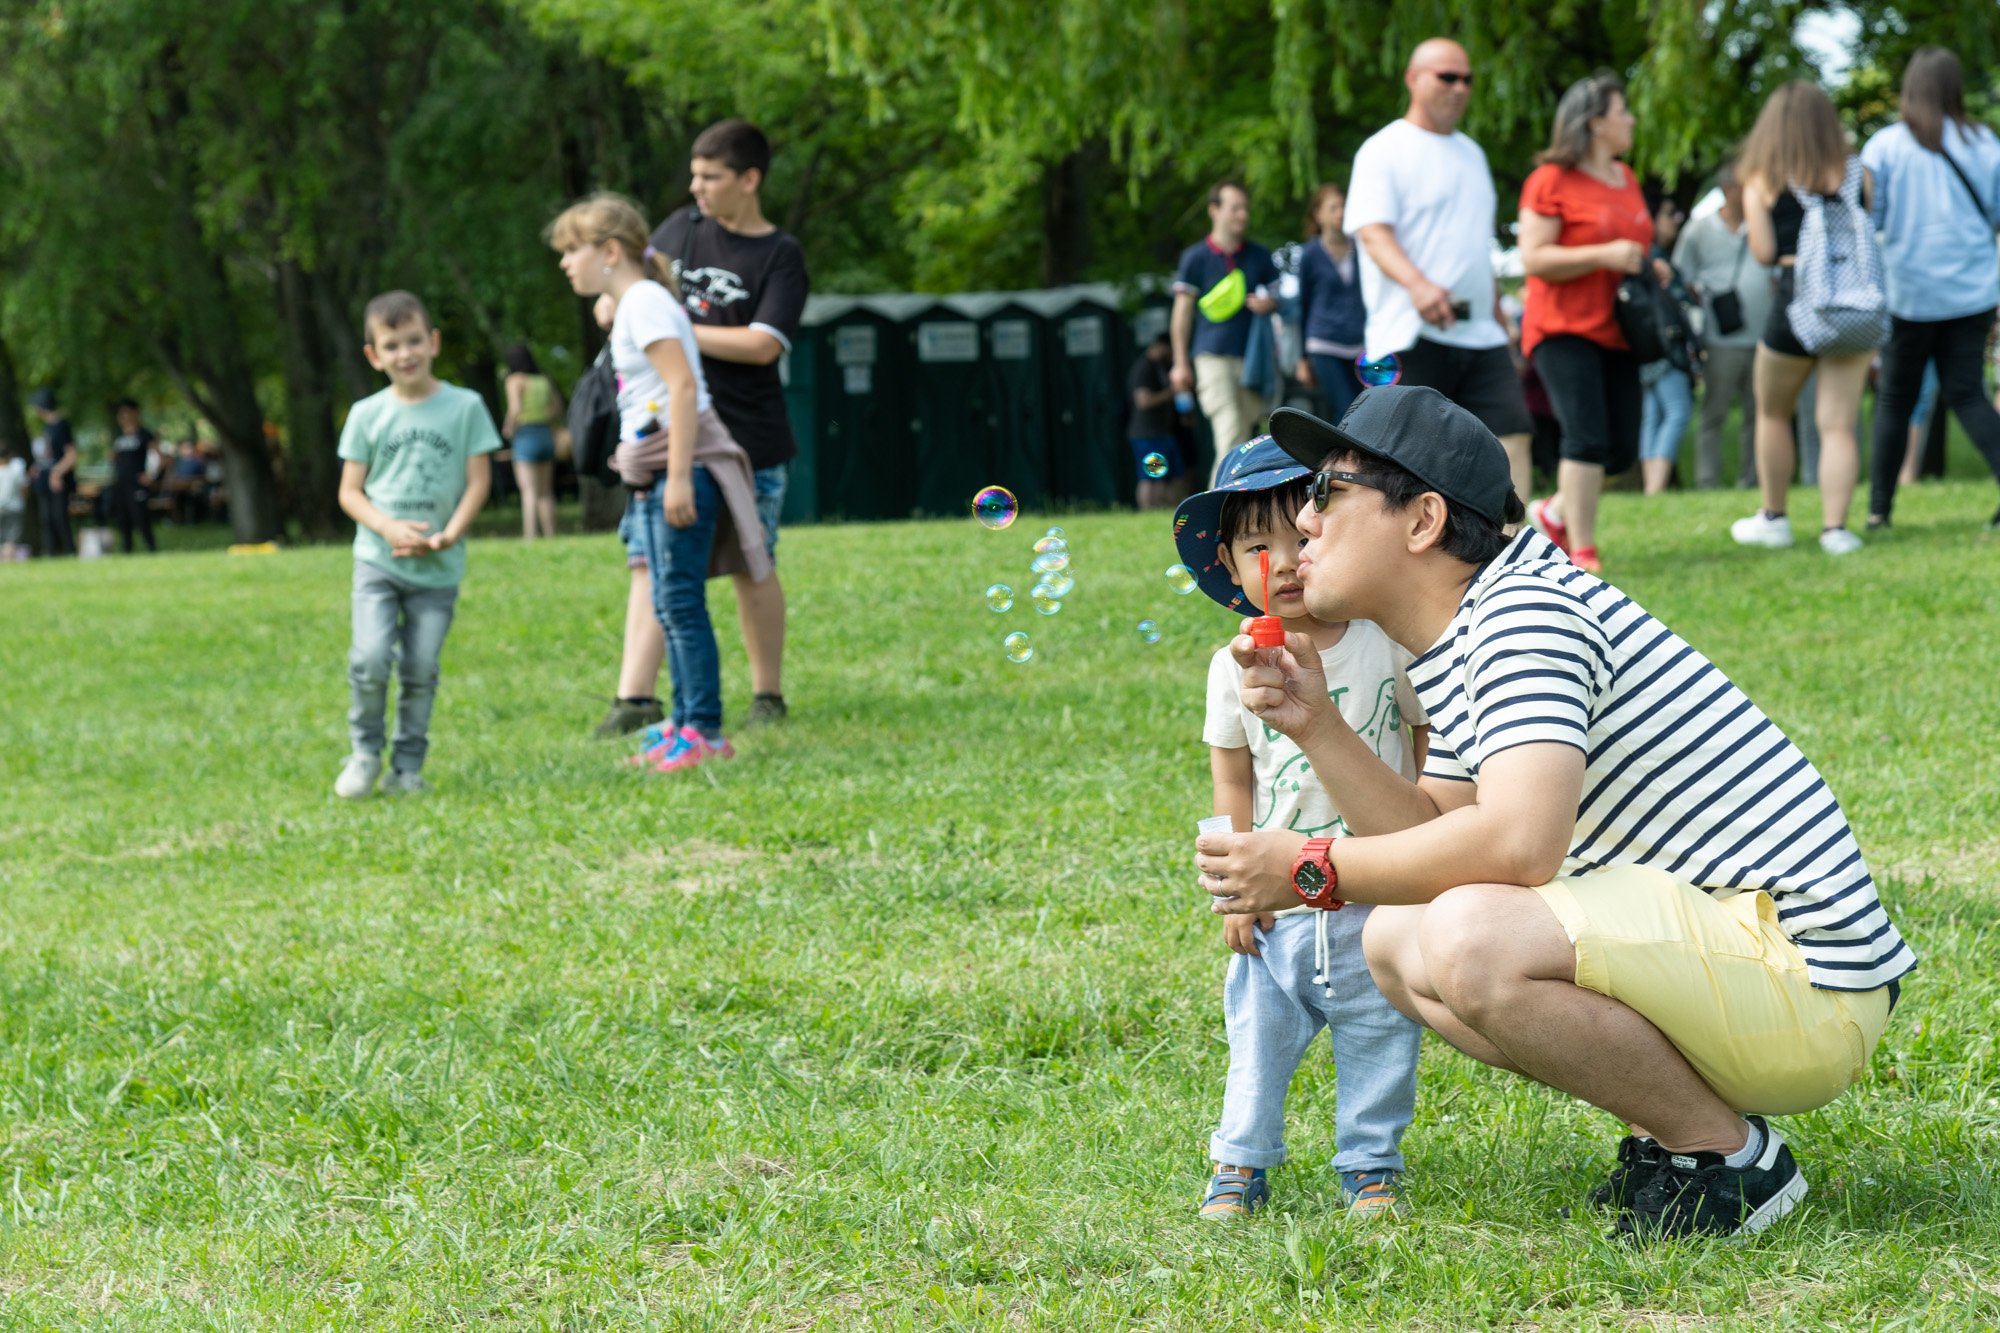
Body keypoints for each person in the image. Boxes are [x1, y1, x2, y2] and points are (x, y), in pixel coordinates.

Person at [1190, 386, 1914, 1240]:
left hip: (1809, 987)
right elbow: (1432, 826)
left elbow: (1518, 844)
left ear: (1422, 520)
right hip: (1746, 961)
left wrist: (1309, 866)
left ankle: (1731, 1160)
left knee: (1466, 933)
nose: (1304, 523)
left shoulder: (1524, 615)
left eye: (1326, 492)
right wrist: (1317, 725)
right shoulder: (1472, 627)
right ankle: (1680, 1138)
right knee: (1396, 939)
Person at [1172, 436, 1426, 1221]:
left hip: (1372, 895)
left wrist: (1419, 862)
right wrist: (1233, 888)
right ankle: (1238, 1161)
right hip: (1276, 906)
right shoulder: (1232, 665)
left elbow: (1422, 751)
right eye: (1259, 544)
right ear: (1228, 559)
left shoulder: (1385, 644)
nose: (1284, 562)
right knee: (1256, 1039)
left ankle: (1371, 1163)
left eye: (1301, 539)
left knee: (1381, 1038)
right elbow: (1231, 776)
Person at [550, 192, 772, 775]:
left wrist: (676, 479)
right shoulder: (638, 301)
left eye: (574, 250)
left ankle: (704, 732)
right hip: (657, 470)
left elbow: (681, 389)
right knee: (670, 604)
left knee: (680, 601)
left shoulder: (645, 303)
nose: (565, 263)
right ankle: (682, 723)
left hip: (682, 468)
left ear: (611, 250)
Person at [645, 118, 807, 732]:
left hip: (752, 439)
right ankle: (638, 697)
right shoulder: (678, 231)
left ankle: (768, 694)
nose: (697, 188)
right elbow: (628, 294)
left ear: (750, 179)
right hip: (678, 433)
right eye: (694, 174)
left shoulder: (779, 254)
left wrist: (678, 333)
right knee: (661, 566)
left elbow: (764, 344)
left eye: (711, 176)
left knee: (753, 563)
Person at [1346, 38, 1534, 507]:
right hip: (1411, 332)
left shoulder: (1473, 153)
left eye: (1467, 78)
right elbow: (1372, 232)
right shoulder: (1383, 149)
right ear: (1413, 78)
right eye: (1447, 76)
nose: (1460, 87)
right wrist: (1418, 285)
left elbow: (1475, 246)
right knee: (1406, 463)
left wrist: (1498, 315)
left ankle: (1517, 558)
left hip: (1480, 333)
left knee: (1513, 434)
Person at [332, 290, 499, 800]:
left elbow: (478, 482)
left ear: (433, 342)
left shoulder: (465, 406)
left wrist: (450, 533)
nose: (404, 354)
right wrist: (387, 528)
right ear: (373, 356)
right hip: (378, 563)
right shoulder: (366, 414)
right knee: (371, 658)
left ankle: (406, 767)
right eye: (391, 345)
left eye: (413, 341)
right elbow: (349, 492)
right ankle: (364, 753)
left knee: (421, 668)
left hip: (439, 568)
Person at [1730, 81, 1881, 555]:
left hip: (1796, 302)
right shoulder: (1860, 173)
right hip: (1853, 305)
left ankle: (1774, 518)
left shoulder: (1763, 179)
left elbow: (1763, 253)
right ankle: (1836, 530)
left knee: (1773, 412)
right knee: (1838, 423)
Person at [1516, 72, 1656, 574]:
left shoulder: (1627, 177)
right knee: (1585, 435)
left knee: (1620, 449)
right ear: (1595, 122)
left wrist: (1647, 262)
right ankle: (1582, 548)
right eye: (1623, 111)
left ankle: (1554, 511)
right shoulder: (1550, 179)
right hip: (1562, 327)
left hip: (1617, 330)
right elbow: (1534, 257)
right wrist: (1605, 254)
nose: (1631, 119)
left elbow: (1635, 245)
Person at [1861, 47, 2000, 531]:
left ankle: (1880, 510)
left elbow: (1872, 221)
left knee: (1896, 400)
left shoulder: (1885, 147)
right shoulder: (1986, 144)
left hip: (1908, 293)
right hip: (1974, 290)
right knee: (1968, 393)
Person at [1171, 180, 1280, 478]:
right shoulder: (1195, 257)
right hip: (1211, 358)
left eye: (1245, 208)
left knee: (1247, 440)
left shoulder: (1259, 256)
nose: (1242, 215)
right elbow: (1181, 313)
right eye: (1235, 208)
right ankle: (1217, 513)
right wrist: (1180, 363)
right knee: (1230, 429)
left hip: (1253, 362)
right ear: (1214, 211)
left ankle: (1240, 512)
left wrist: (1270, 304)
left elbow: (1282, 300)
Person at [1673, 162, 1768, 490]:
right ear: (1729, 189)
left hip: (1763, 337)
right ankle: (1707, 482)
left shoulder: (1761, 225)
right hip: (1720, 337)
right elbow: (1678, 275)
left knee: (1760, 415)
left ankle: (1753, 480)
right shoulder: (1699, 229)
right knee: (1714, 412)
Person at [1293, 182, 1367, 423]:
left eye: (1344, 206)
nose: (1341, 213)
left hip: (1359, 344)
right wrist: (1302, 358)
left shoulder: (1362, 248)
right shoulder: (1311, 254)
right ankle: (1340, 460)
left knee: (1363, 409)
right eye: (1333, 207)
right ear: (1318, 214)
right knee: (1346, 407)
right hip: (1323, 343)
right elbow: (1302, 305)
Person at [1638, 194, 1697, 495]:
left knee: (1653, 415)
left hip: (1642, 348)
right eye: (1670, 214)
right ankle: (1656, 487)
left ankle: (1652, 486)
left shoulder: (1638, 254)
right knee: (1677, 410)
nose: (1676, 220)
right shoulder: (1654, 257)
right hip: (1663, 348)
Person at [502, 344, 564, 541]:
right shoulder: (543, 380)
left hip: (526, 435)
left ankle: (530, 537)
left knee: (529, 491)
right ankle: (551, 535)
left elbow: (515, 408)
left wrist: (508, 428)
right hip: (545, 433)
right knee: (545, 492)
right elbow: (556, 409)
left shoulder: (514, 381)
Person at [1127, 335, 1185, 510]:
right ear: (1159, 346)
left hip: (1161, 433)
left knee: (1168, 476)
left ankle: (1164, 510)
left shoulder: (1159, 366)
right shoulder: (1143, 367)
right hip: (1147, 434)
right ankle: (1149, 512)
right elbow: (1143, 401)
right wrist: (1172, 392)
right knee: (1149, 478)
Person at [106, 399, 159, 554]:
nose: (123, 416)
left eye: (126, 412)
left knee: (140, 516)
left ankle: (150, 547)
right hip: (121, 481)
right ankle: (127, 549)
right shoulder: (118, 436)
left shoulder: (144, 434)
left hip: (136, 483)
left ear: (135, 413)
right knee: (123, 517)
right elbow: (113, 457)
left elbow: (159, 456)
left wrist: (150, 475)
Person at [28, 389, 75, 556]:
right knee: (46, 518)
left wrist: (57, 473)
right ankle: (50, 552)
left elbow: (71, 454)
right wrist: (37, 466)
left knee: (59, 517)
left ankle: (70, 551)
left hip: (57, 480)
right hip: (44, 478)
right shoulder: (46, 426)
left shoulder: (61, 425)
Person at [0, 443, 25, 560]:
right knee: (11, 539)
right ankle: (9, 560)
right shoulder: (15, 470)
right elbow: (24, 488)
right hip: (14, 507)